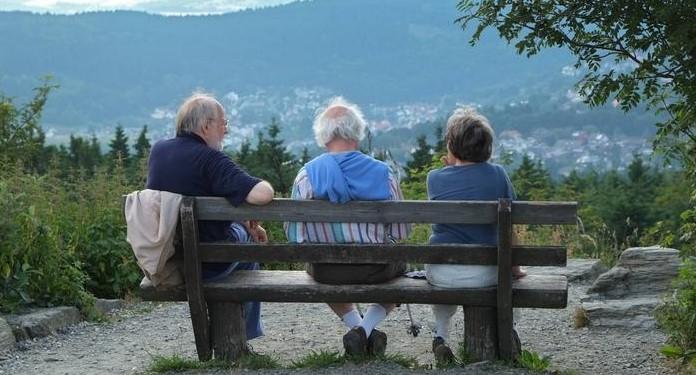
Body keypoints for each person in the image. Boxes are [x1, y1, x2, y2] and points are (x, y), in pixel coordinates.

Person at [284, 97, 411, 356]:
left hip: (326, 270)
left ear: (324, 134)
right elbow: (400, 231)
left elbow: (295, 235)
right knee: (404, 268)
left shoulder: (306, 175)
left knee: (318, 269)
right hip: (377, 269)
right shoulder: (383, 173)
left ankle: (358, 330)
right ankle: (365, 329)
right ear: (357, 132)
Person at [146, 91, 274, 340]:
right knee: (248, 246)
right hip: (210, 264)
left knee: (240, 238)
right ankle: (242, 336)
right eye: (223, 123)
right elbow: (262, 195)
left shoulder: (159, 151)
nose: (226, 130)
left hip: (172, 259)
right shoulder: (210, 159)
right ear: (206, 126)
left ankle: (235, 334)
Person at [425, 107, 526, 363]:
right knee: (506, 280)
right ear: (487, 147)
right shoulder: (498, 175)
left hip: (443, 272)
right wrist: (514, 268)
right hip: (487, 272)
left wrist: (451, 166)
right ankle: (508, 330)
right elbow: (510, 226)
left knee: (443, 275)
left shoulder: (434, 179)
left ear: (451, 145)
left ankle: (441, 336)